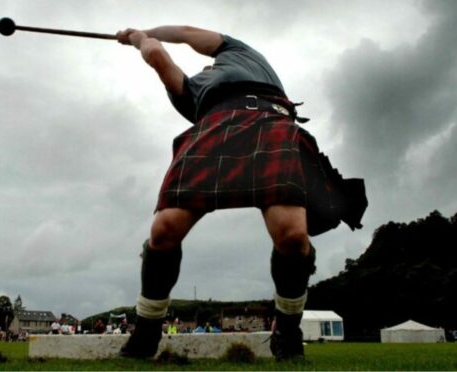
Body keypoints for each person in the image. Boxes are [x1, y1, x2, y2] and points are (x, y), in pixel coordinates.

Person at [115, 25, 367, 362]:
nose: (206, 68)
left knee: (292, 234)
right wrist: (139, 42)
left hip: (270, 120)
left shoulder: (239, 53)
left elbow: (188, 33)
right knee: (164, 230)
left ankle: (288, 329)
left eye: (209, 64)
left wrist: (144, 29)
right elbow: (159, 56)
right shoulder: (190, 91)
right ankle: (147, 329)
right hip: (213, 126)